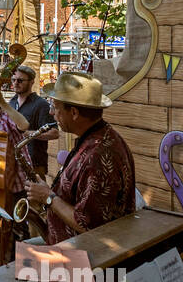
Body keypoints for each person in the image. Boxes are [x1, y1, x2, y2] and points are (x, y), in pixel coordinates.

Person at [23, 71, 134, 245]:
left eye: (56, 107)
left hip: (84, 256)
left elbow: (87, 225)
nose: (52, 113)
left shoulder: (97, 157)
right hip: (69, 242)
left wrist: (48, 197)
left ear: (74, 113)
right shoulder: (101, 136)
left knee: (22, 262)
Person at [9, 65, 57, 176]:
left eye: (20, 80)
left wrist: (27, 134)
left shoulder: (41, 105)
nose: (16, 83)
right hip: (13, 162)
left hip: (34, 165)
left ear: (31, 82)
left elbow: (54, 133)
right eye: (13, 80)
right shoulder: (11, 102)